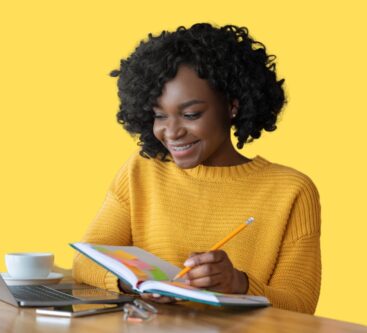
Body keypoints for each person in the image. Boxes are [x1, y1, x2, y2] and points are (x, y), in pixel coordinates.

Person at [72, 23, 321, 314]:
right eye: (159, 116)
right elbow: (84, 263)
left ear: (232, 106)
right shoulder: (141, 172)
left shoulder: (290, 190)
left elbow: (300, 306)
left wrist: (238, 284)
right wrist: (135, 284)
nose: (171, 132)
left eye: (190, 114)